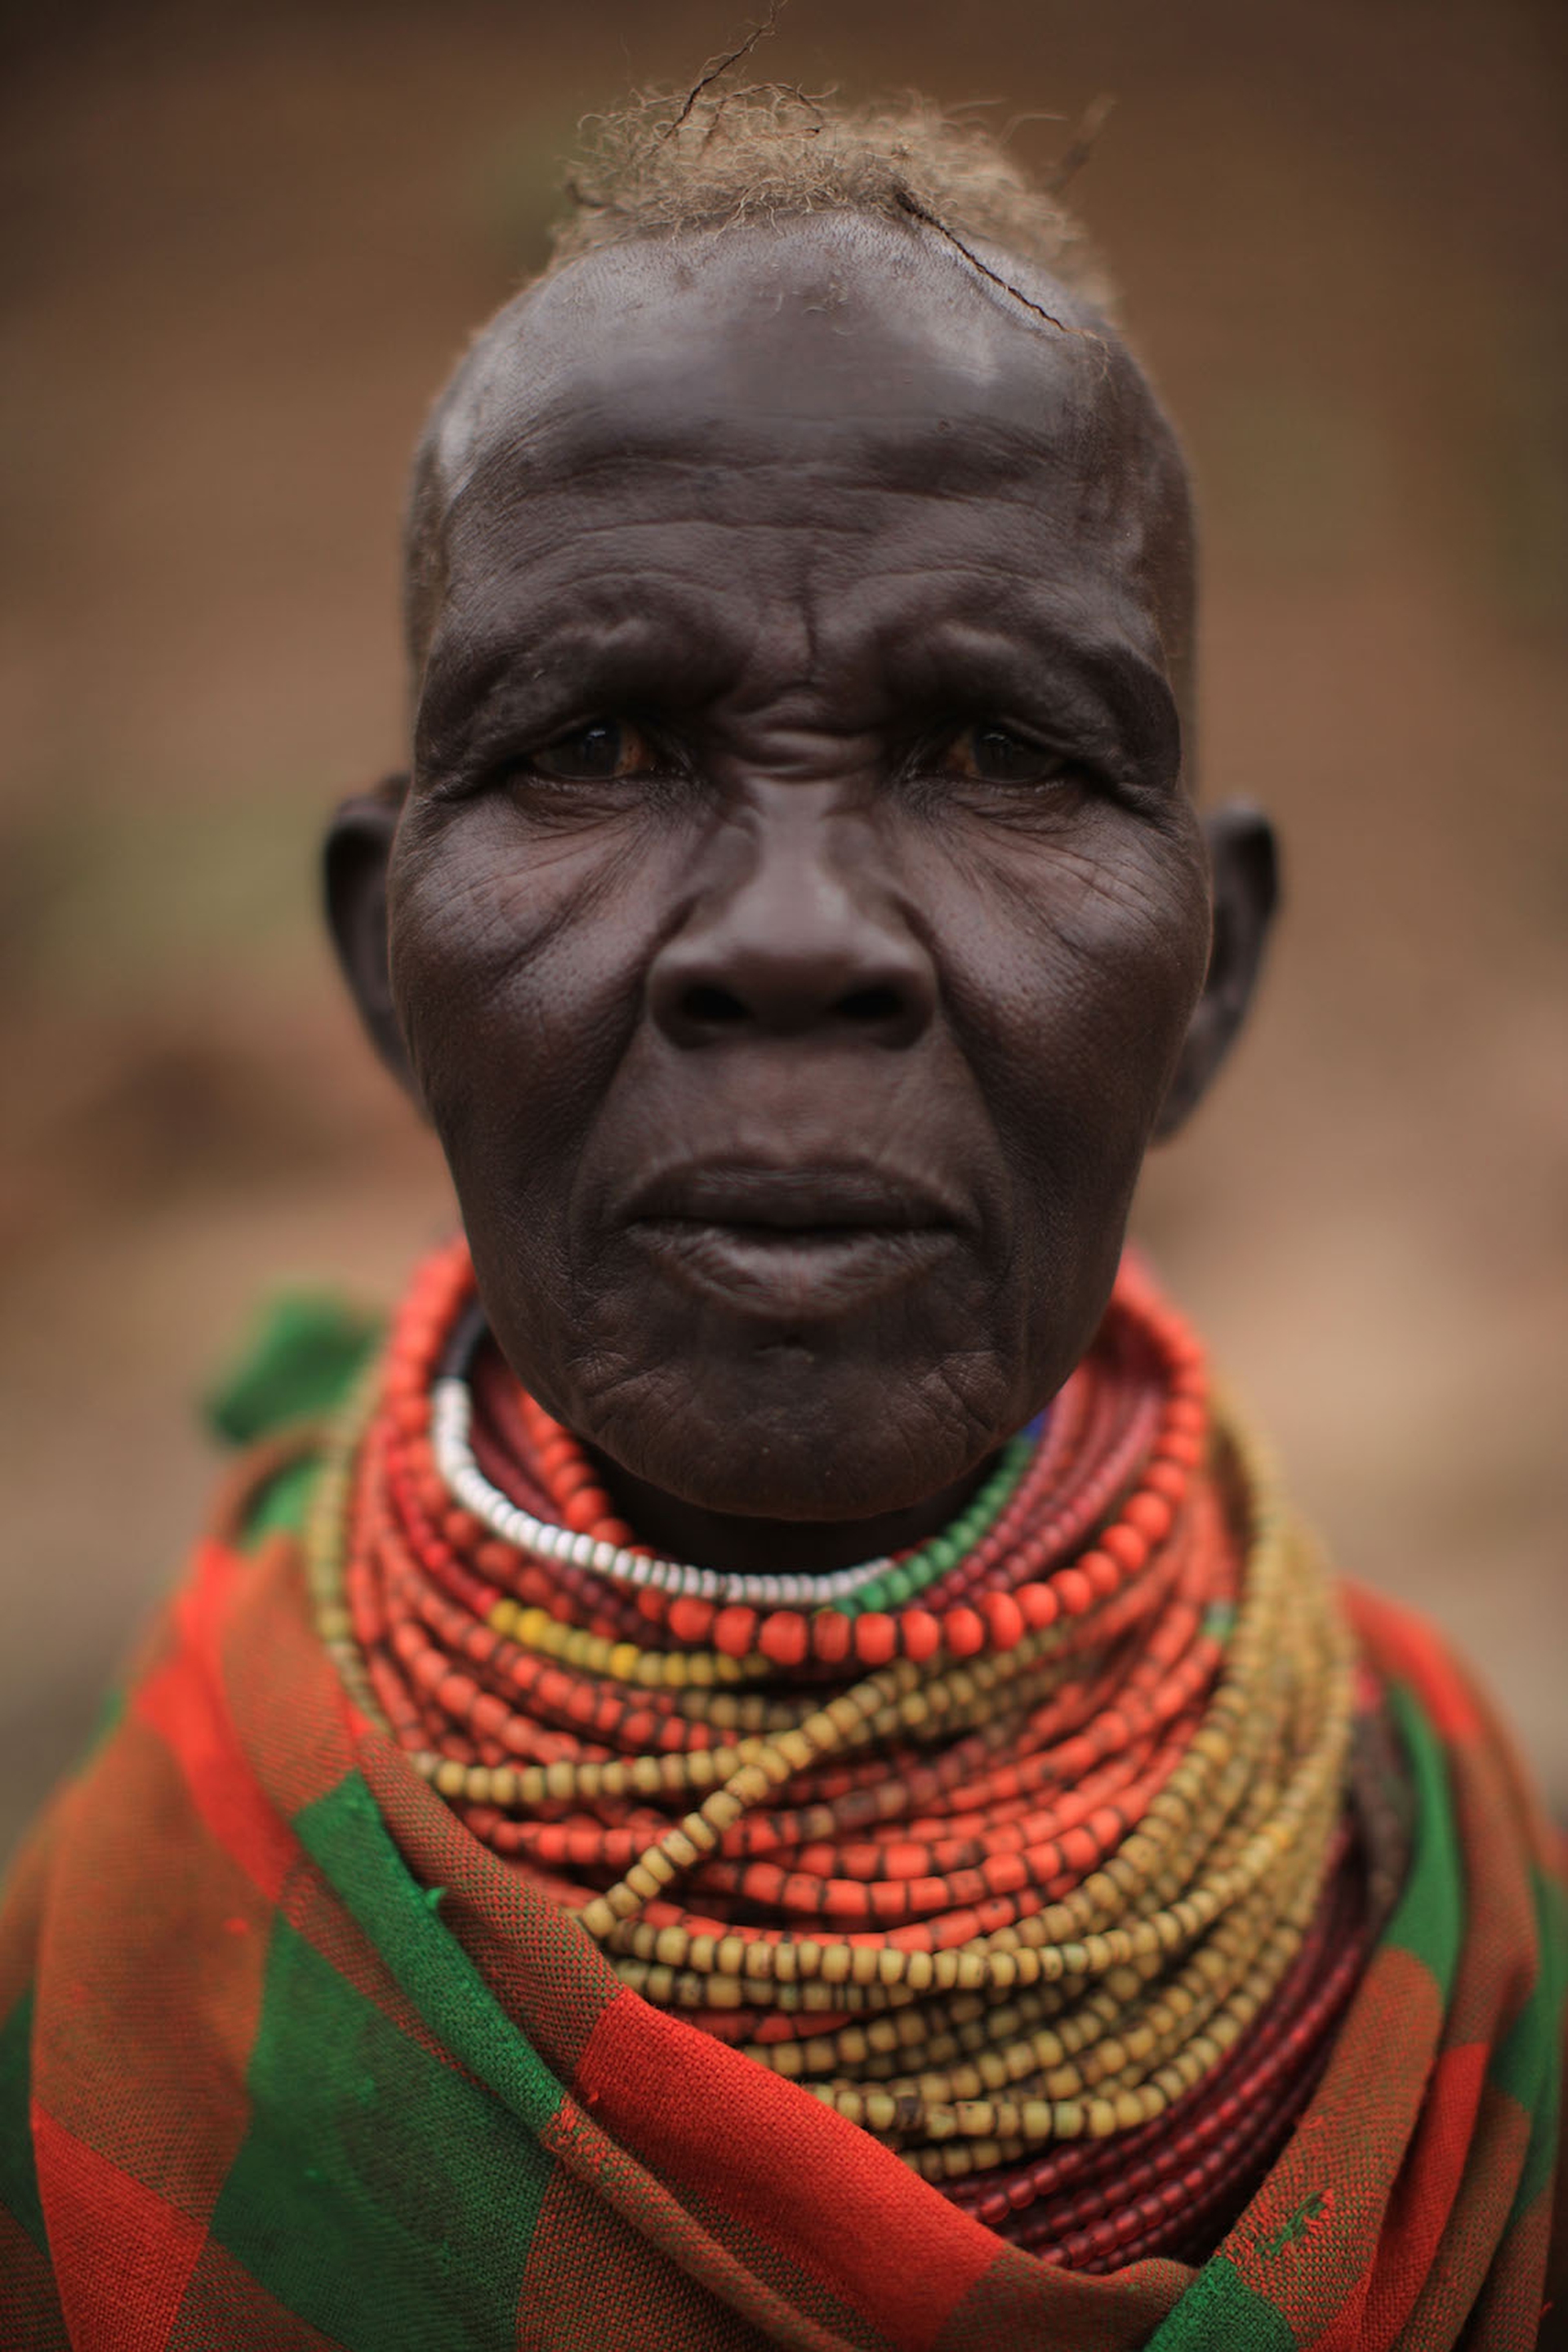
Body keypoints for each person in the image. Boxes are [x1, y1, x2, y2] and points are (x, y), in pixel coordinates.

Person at [1, 90, 1561, 2352]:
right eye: (605, 746)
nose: (800, 935)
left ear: (1206, 971)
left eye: (1006, 750)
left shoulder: (1455, 1932)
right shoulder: (140, 1959)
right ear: (382, 969)